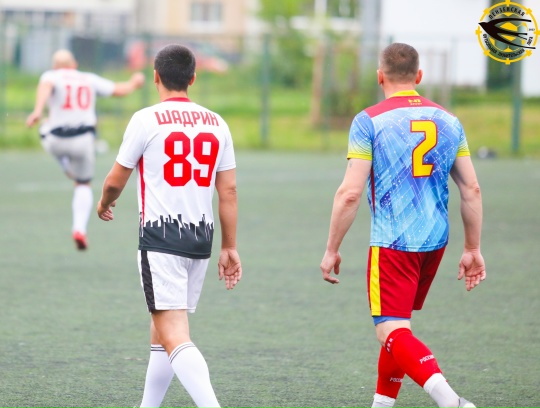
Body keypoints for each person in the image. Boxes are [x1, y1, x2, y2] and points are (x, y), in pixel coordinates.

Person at [319, 43, 485, 408]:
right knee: (398, 325)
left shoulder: (369, 120)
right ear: (419, 76)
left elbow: (350, 193)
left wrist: (332, 248)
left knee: (390, 330)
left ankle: (452, 401)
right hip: (435, 241)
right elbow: (471, 189)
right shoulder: (449, 120)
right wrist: (472, 248)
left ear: (380, 77)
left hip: (393, 242)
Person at [97, 44, 242, 408]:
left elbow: (115, 180)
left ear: (156, 77)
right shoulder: (217, 123)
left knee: (174, 332)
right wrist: (229, 246)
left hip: (162, 238)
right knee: (162, 328)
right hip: (200, 241)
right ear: (193, 78)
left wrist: (104, 203)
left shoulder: (145, 119)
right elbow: (229, 191)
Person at [26, 49, 145, 250]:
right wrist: (134, 82)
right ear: (74, 65)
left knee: (44, 126)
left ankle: (65, 164)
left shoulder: (51, 75)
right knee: (83, 184)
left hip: (56, 138)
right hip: (83, 140)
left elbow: (46, 86)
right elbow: (120, 90)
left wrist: (38, 110)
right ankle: (79, 229)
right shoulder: (88, 78)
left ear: (55, 66)